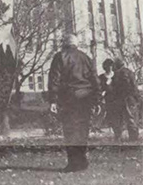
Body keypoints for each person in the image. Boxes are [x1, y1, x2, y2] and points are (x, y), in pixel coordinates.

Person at [48, 33, 101, 172]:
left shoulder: (60, 57)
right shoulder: (86, 57)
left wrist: (53, 100)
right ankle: (82, 161)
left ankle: (73, 163)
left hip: (69, 98)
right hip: (86, 97)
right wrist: (97, 100)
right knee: (83, 130)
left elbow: (54, 79)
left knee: (70, 130)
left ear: (64, 43)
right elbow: (95, 79)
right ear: (76, 44)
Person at [111, 57, 140, 143]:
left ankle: (132, 138)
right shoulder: (129, 72)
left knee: (127, 118)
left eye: (114, 65)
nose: (112, 67)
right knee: (130, 118)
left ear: (117, 65)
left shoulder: (120, 73)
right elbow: (134, 86)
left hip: (125, 98)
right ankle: (132, 137)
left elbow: (125, 86)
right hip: (129, 98)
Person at [99, 58, 115, 134]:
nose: (109, 67)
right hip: (105, 97)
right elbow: (99, 88)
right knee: (105, 111)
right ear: (104, 67)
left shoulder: (116, 75)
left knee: (114, 112)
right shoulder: (101, 77)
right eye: (107, 66)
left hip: (115, 97)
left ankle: (115, 128)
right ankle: (101, 127)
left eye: (111, 66)